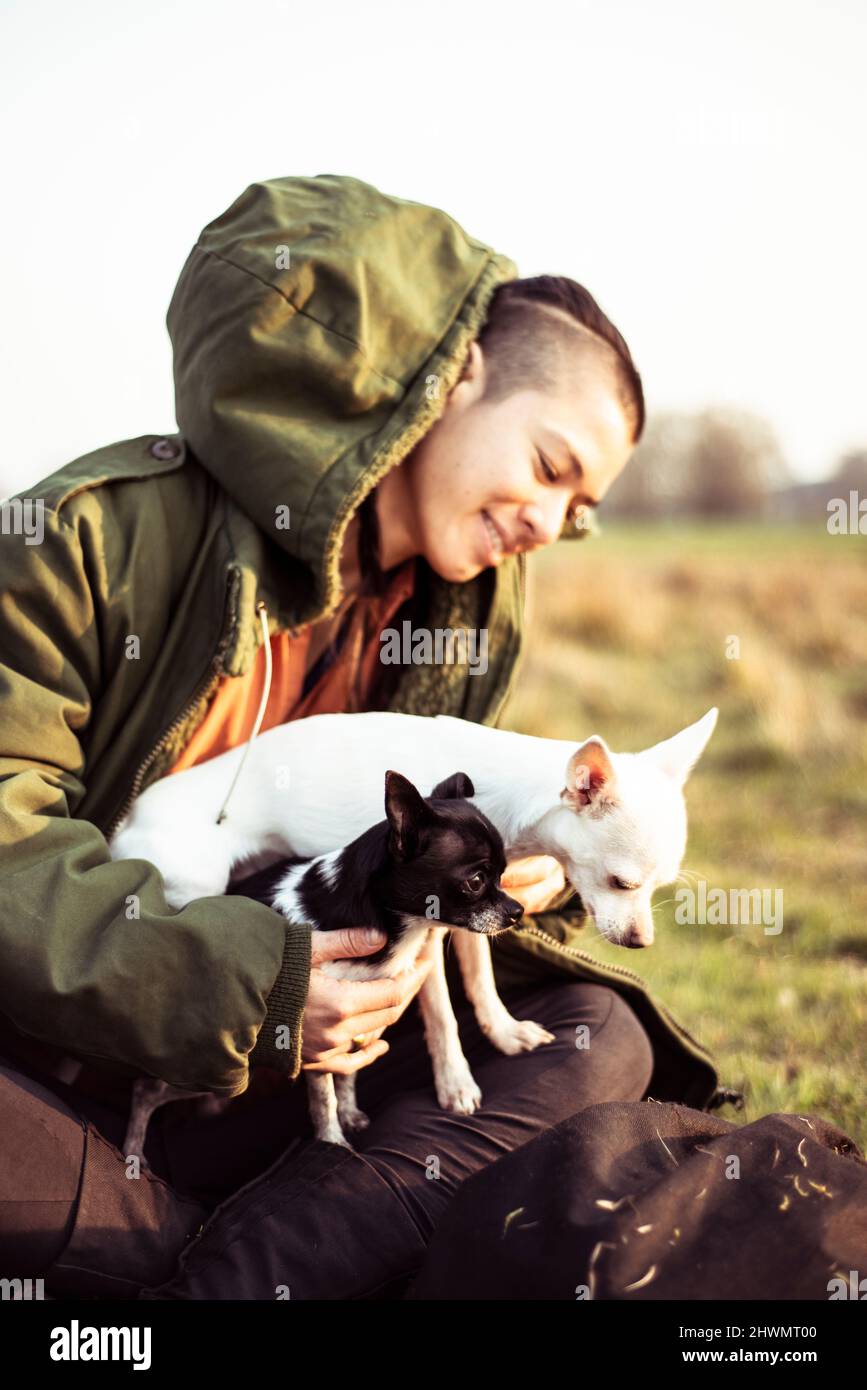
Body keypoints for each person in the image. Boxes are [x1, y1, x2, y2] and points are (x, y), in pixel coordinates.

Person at [0, 174, 721, 1301]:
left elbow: (415, 882)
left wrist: (536, 871)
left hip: (298, 1075)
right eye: (548, 467)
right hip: (68, 1068)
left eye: (577, 511)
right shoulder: (84, 539)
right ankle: (258, 1243)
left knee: (599, 1028)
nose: (548, 524)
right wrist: (254, 992)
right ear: (451, 375)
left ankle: (236, 1254)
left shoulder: (457, 614)